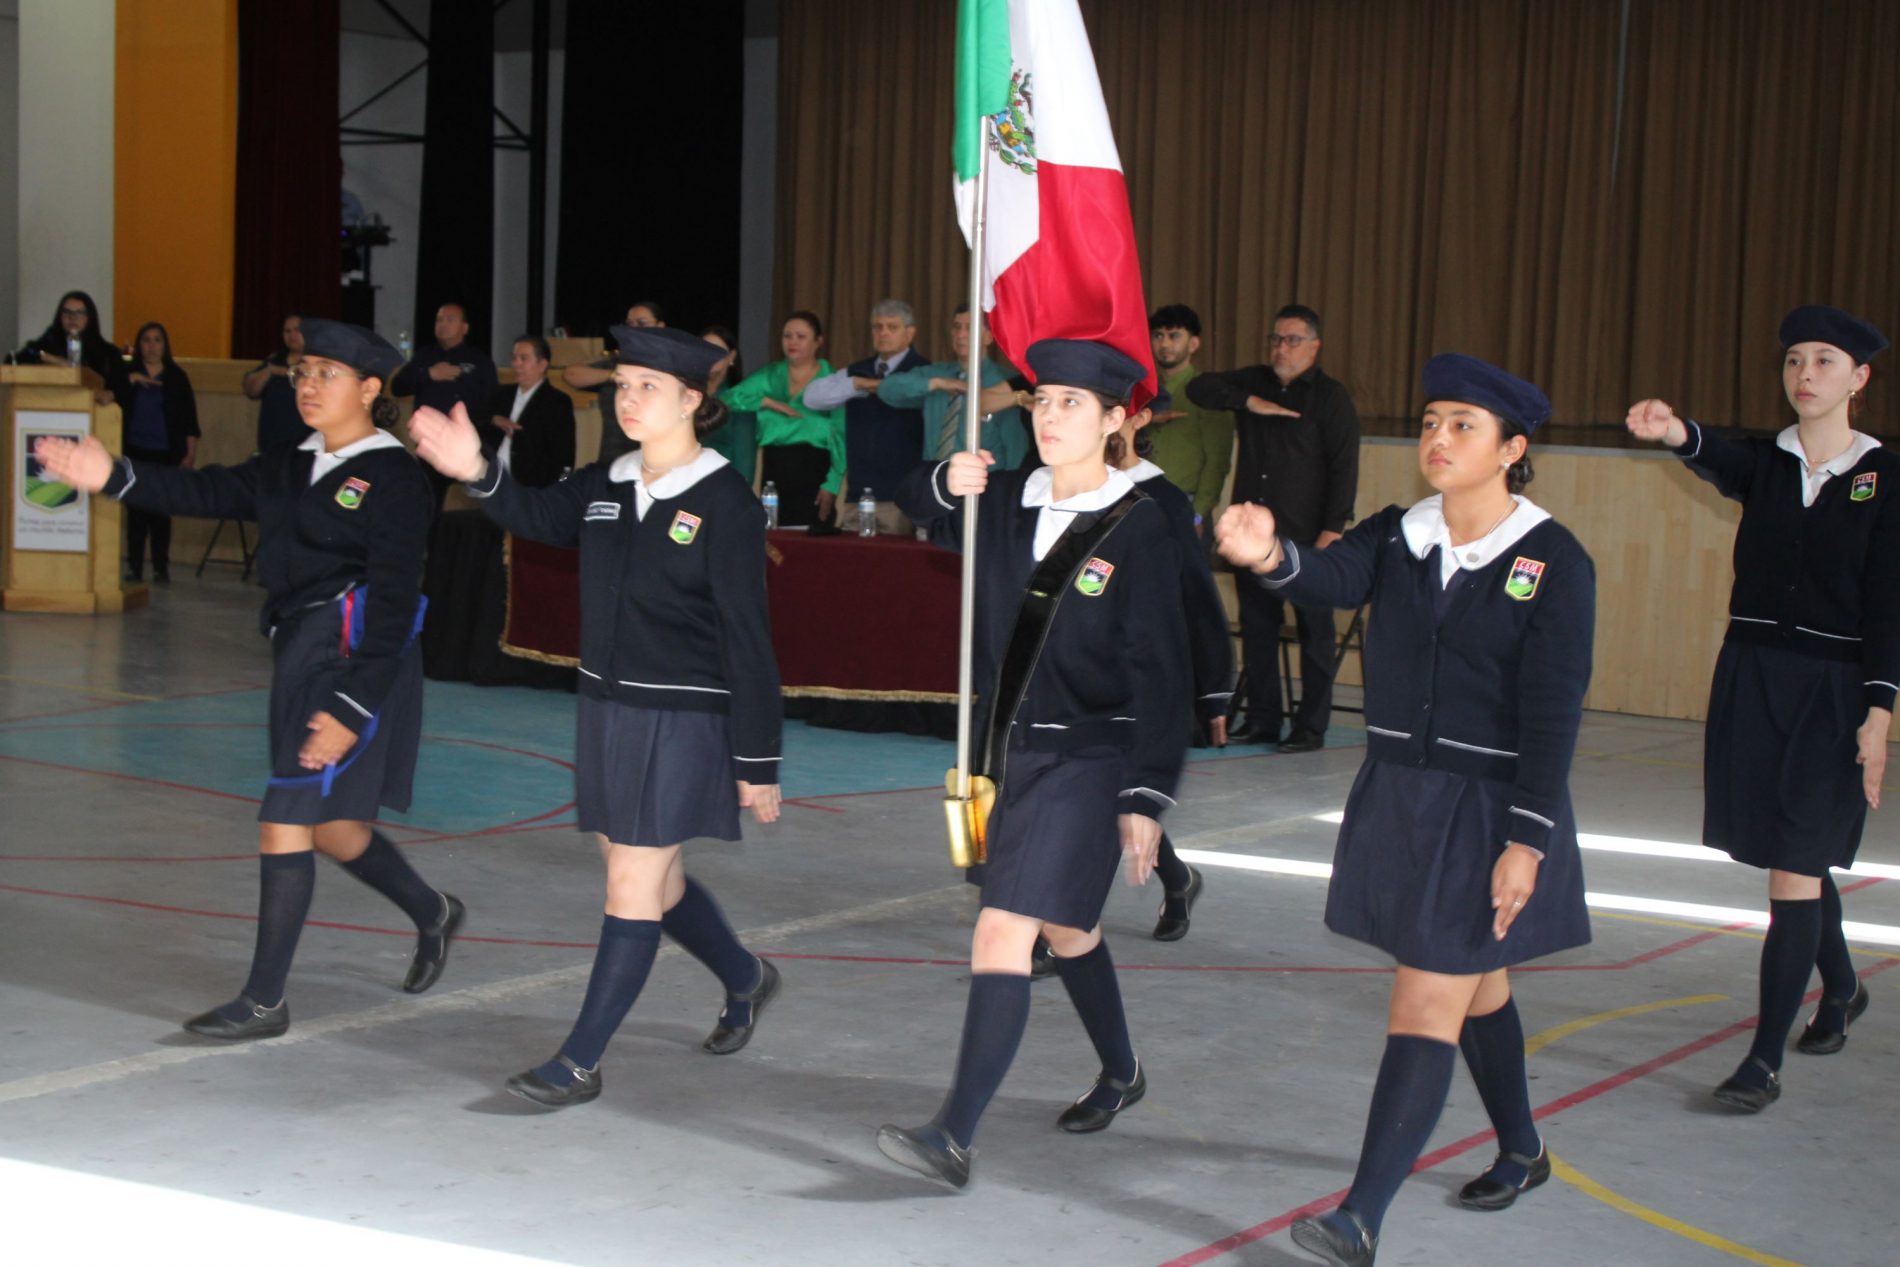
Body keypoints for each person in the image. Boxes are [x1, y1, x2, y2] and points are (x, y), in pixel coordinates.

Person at [1215, 354, 1593, 1266]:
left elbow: (1553, 714)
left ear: (1512, 448)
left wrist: (1528, 840)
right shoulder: (1401, 533)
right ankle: (1524, 1149)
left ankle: (1360, 1216)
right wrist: (1269, 554)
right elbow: (1329, 576)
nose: (1439, 437)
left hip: (1487, 809)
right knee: (1477, 985)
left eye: (1464, 424)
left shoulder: (1554, 561)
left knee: (1427, 995)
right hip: (1401, 796)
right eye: (1431, 421)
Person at [33, 319, 462, 1042]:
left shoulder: (395, 477)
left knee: (285, 815)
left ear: (368, 388)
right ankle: (434, 911)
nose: (307, 385)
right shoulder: (291, 461)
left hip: (356, 656)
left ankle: (265, 1001)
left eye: (326, 373)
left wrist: (351, 705)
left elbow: (394, 604)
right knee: (333, 829)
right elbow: (206, 490)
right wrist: (113, 475)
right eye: (302, 371)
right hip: (300, 648)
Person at [408, 324, 785, 1108]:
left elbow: (747, 637)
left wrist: (757, 759)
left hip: (682, 717)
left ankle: (580, 1061)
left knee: (631, 878)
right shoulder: (606, 481)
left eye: (649, 387)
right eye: (622, 386)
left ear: (692, 399)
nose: (629, 399)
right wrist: (475, 468)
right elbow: (536, 515)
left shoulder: (726, 502)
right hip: (607, 708)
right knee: (652, 873)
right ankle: (746, 975)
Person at [878, 339, 1192, 1190]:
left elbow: (1163, 670)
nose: (1050, 417)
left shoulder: (1143, 523)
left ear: (1115, 419)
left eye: (1071, 404)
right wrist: (945, 481)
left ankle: (953, 1134)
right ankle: (1122, 1069)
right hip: (1006, 753)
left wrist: (1145, 793)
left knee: (1002, 927)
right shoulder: (1007, 499)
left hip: (1090, 754)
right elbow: (913, 502)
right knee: (1066, 927)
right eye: (1042, 401)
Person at [1625, 304, 1893, 1112]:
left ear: (1859, 377)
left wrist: (1879, 712)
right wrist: (1674, 429)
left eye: (1824, 361)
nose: (1805, 374)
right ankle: (1841, 984)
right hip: (1752, 676)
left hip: (1834, 690)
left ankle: (1763, 1060)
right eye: (1794, 360)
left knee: (1795, 866)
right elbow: (1713, 453)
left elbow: (1890, 603)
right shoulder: (1766, 462)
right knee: (1793, 855)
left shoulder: (1886, 476)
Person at [1189, 304, 1361, 751]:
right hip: (1253, 538)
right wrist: (1249, 402)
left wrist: (1333, 529)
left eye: (1293, 340)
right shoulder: (1255, 381)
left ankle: (1311, 727)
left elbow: (1345, 467)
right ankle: (1263, 720)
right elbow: (1199, 388)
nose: (1282, 348)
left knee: (1315, 634)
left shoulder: (1330, 397)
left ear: (1314, 346)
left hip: (1307, 537)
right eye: (1276, 339)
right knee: (1258, 630)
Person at [1110, 389, 1233, 939]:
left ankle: (1051, 929)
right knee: (1096, 793)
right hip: (1078, 671)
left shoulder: (1163, 500)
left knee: (1115, 792)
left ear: (1138, 419)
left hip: (1145, 674)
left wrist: (1214, 688)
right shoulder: (1061, 487)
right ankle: (1178, 877)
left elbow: (1198, 597)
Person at [803, 299, 930, 534]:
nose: (883, 333)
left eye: (892, 327)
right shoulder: (857, 371)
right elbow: (811, 398)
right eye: (877, 327)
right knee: (855, 556)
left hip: (902, 497)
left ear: (910, 333)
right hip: (859, 494)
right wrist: (857, 384)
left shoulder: (923, 372)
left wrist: (878, 387)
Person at [718, 311, 844, 527]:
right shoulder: (770, 375)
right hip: (773, 470)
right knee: (775, 538)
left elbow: (842, 435)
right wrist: (766, 402)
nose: (792, 342)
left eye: (801, 336)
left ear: (818, 341)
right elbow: (726, 399)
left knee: (812, 539)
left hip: (815, 471)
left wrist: (832, 484)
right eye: (787, 336)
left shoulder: (831, 380)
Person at [879, 302, 1029, 472]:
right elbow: (887, 389)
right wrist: (937, 383)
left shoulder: (1005, 383)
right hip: (934, 479)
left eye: (970, 328)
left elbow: (1016, 448)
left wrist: (1011, 486)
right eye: (957, 327)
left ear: (988, 336)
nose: (961, 334)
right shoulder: (936, 374)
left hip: (982, 482)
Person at [114, 322, 201, 583]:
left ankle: (161, 567)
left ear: (165, 345)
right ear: (139, 345)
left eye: (157, 340)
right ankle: (134, 566)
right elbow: (109, 395)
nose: (151, 346)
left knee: (161, 513)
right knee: (136, 513)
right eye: (146, 340)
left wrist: (189, 454)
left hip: (166, 453)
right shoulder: (128, 373)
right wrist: (130, 381)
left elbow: (190, 420)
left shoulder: (176, 377)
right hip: (134, 452)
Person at [390, 302, 498, 507]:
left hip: (469, 447)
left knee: (477, 507)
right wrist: (429, 374)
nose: (443, 324)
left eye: (450, 320)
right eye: (439, 320)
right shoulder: (425, 356)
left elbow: (493, 400)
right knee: (428, 505)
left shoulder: (479, 361)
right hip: (429, 446)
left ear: (464, 328)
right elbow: (397, 386)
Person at [1147, 304, 1235, 533]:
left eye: (1174, 336)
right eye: (1158, 335)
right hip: (1142, 501)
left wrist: (1197, 514)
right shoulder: (1144, 390)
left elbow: (1217, 461)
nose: (1165, 344)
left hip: (1186, 505)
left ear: (1194, 344)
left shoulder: (1208, 391)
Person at [562, 300, 667, 464]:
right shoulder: (618, 361)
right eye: (630, 324)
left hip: (655, 458)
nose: (634, 329)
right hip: (614, 458)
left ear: (660, 326)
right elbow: (571, 374)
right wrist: (615, 376)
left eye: (642, 323)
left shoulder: (669, 363)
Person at [486, 335, 575, 489]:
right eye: (514, 358)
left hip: (532, 487)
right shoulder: (501, 394)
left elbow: (564, 455)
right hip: (493, 480)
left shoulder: (557, 402)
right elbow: (475, 416)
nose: (516, 364)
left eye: (524, 358)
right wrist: (494, 419)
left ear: (542, 365)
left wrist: (559, 488)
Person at [16, 289, 123, 404]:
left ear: (89, 317)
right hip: (47, 405)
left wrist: (111, 394)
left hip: (90, 408)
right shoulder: (48, 343)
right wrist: (50, 358)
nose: (72, 318)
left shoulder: (108, 353)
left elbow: (122, 387)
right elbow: (15, 360)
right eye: (67, 312)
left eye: (79, 313)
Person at [243, 314, 312, 454]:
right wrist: (269, 371)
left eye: (297, 330)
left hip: (306, 444)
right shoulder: (275, 360)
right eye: (287, 331)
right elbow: (250, 390)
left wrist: (287, 372)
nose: (292, 335)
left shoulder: (316, 362)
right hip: (271, 444)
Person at [699, 325, 759, 487]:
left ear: (731, 357)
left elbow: (745, 466)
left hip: (721, 487)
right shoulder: (687, 395)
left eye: (716, 350)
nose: (709, 356)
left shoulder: (741, 401)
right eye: (704, 349)